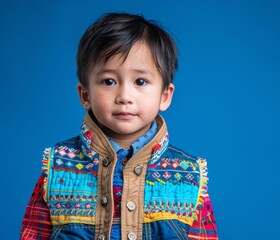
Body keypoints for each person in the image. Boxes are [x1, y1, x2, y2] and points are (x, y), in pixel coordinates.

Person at [20, 12, 218, 240]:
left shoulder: (188, 176)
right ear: (85, 95)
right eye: (109, 81)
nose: (124, 96)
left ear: (164, 96)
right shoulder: (57, 168)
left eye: (140, 82)